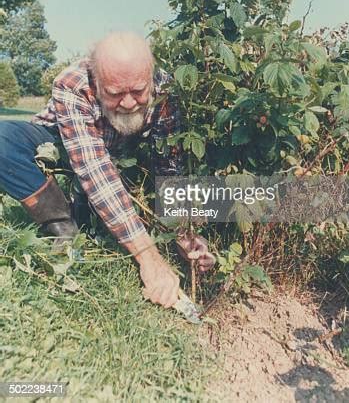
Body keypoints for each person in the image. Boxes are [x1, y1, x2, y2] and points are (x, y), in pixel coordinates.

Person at [0, 32, 215, 308]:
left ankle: (88, 212)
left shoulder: (165, 91)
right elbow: (94, 169)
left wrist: (185, 233)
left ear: (150, 77)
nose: (128, 103)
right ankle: (62, 225)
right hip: (60, 148)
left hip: (119, 159)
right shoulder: (72, 82)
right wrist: (149, 258)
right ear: (97, 80)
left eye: (138, 91)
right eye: (115, 94)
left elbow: (168, 167)